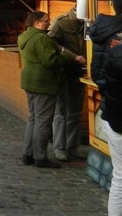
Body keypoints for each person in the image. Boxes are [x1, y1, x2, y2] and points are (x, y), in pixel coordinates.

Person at [18, 11, 81, 168]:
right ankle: (40, 156)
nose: (48, 23)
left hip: (29, 81)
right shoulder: (41, 38)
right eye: (46, 21)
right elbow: (50, 60)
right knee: (43, 121)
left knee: (33, 119)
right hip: (43, 82)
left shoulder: (24, 36)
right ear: (37, 23)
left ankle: (28, 154)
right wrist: (67, 59)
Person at [89, 0, 122, 215]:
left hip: (112, 108)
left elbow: (96, 72)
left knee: (120, 176)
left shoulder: (103, 33)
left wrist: (109, 90)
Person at [48, 5, 88, 162]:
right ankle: (59, 147)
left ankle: (73, 146)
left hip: (81, 72)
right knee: (61, 112)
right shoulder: (61, 23)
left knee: (75, 112)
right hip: (63, 71)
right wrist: (72, 56)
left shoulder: (89, 22)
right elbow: (51, 42)